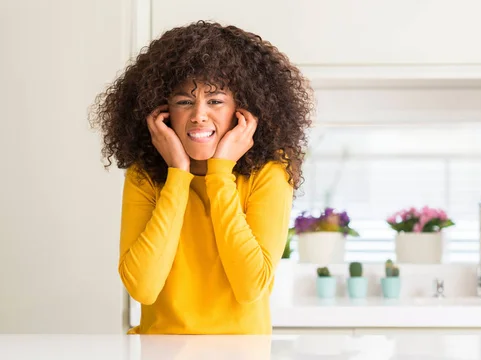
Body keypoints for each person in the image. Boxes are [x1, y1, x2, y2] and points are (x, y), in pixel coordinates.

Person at [89, 20, 313, 335]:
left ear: (242, 110)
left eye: (215, 101)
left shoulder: (270, 173)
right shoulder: (146, 176)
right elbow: (143, 287)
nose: (198, 115)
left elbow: (251, 287)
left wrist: (220, 172)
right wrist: (177, 175)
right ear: (162, 112)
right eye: (184, 101)